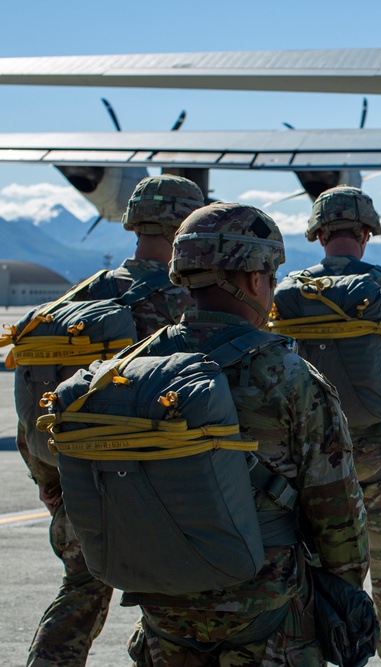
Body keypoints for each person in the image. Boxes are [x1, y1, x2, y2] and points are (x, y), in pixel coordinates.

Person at [125, 202, 369, 665]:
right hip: (267, 614)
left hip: (161, 607)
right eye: (273, 279)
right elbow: (337, 514)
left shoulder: (135, 366)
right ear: (255, 279)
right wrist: (345, 592)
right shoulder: (290, 376)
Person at [17, 174, 202, 667]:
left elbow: (35, 399)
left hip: (80, 490)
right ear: (185, 225)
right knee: (179, 619)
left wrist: (50, 479)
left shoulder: (78, 300)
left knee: (78, 599)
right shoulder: (190, 303)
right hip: (163, 498)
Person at [270, 186, 381, 667]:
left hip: (308, 461)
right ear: (366, 233)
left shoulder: (285, 292)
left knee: (319, 574)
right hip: (380, 453)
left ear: (318, 234)